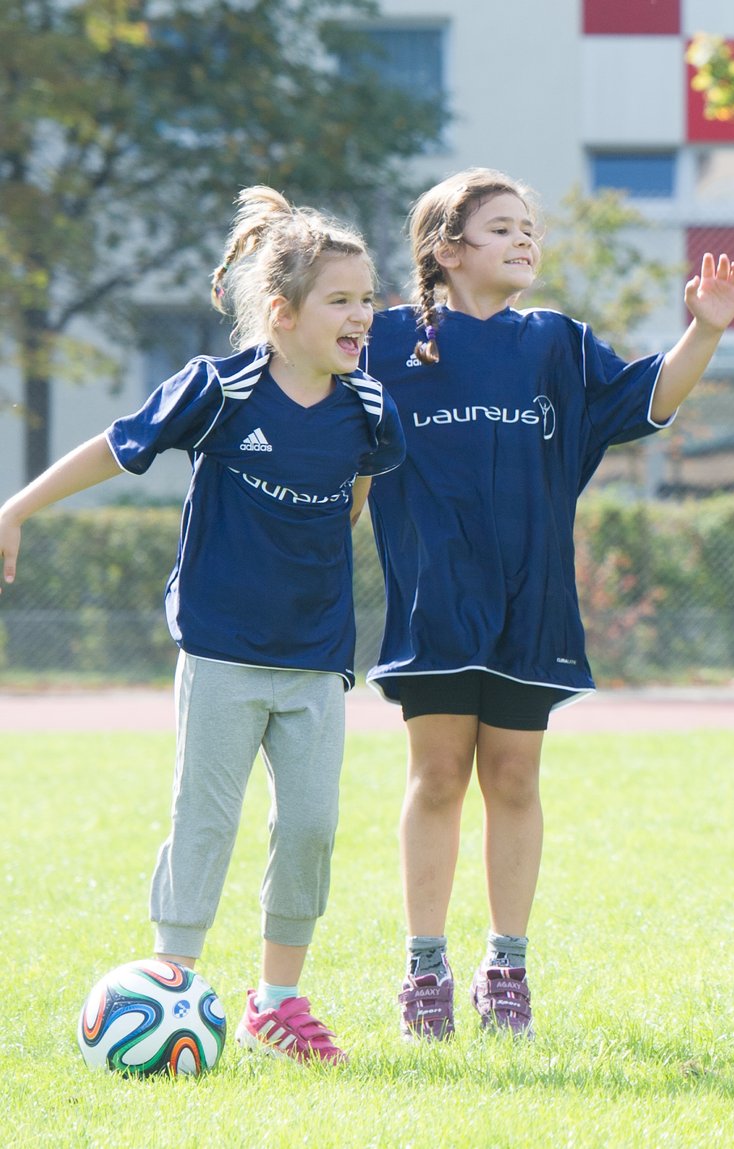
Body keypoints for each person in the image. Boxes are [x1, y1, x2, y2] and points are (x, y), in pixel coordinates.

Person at [0, 188, 404, 1063]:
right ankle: (170, 977)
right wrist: (19, 507)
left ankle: (278, 1001)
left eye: (369, 298)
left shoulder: (370, 409)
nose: (363, 315)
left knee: (310, 826)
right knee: (204, 821)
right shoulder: (220, 390)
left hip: (317, 656)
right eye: (343, 299)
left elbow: (348, 511)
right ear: (283, 312)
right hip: (221, 648)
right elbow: (115, 444)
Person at [369, 168, 734, 1037]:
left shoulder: (555, 343)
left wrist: (706, 329)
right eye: (501, 227)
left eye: (528, 226)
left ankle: (507, 968)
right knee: (435, 777)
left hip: (530, 600)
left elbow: (646, 399)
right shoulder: (387, 342)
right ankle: (425, 972)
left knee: (513, 775)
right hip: (434, 600)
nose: (524, 238)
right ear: (446, 248)